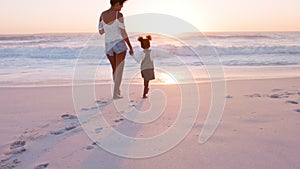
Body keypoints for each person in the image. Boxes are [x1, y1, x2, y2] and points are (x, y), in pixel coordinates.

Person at [98, 0, 134, 99]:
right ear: (117, 4)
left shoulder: (102, 14)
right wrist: (130, 47)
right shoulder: (119, 14)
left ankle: (117, 90)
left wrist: (108, 28)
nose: (121, 8)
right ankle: (115, 92)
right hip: (119, 43)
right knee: (119, 70)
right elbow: (123, 32)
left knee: (114, 68)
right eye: (121, 5)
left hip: (108, 45)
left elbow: (101, 32)